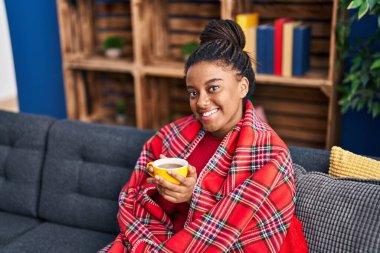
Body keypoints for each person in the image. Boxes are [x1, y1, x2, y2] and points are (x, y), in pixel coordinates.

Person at [99, 19, 308, 253]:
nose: (201, 102)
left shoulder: (270, 155)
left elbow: (246, 230)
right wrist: (155, 190)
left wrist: (193, 196)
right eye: (193, 92)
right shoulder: (173, 135)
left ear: (243, 86)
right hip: (161, 240)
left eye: (213, 88)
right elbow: (133, 197)